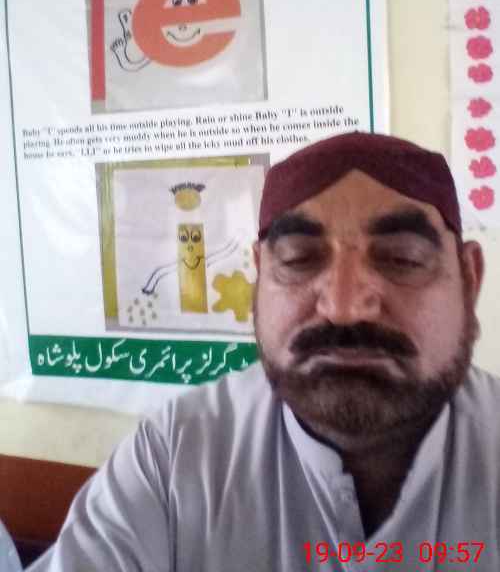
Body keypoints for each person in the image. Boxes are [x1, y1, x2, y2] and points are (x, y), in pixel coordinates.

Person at [30, 132, 500, 571]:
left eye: (402, 259)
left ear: (469, 278)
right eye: (298, 259)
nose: (342, 307)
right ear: (259, 276)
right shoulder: (174, 457)